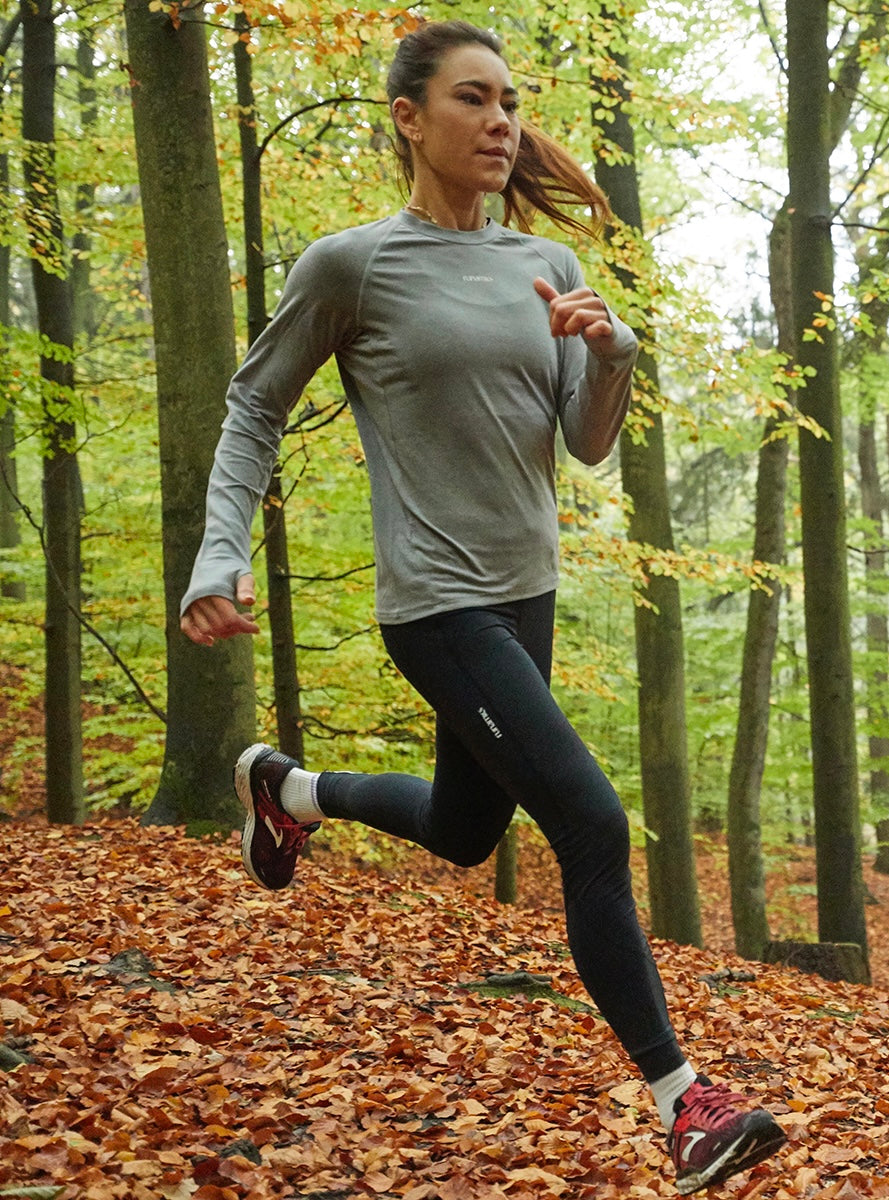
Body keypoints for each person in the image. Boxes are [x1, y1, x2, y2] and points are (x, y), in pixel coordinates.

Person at [180, 19, 785, 1195]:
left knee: (466, 832)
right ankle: (686, 1104)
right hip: (438, 604)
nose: (502, 121)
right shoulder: (351, 264)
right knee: (592, 826)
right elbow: (253, 406)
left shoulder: (541, 269)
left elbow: (587, 445)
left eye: (510, 101)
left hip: (526, 594)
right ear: (411, 118)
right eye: (474, 99)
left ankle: (285, 789)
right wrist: (218, 556)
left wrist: (612, 351)